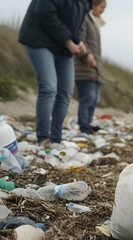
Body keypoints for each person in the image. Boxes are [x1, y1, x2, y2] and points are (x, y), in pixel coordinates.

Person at [18, 0, 91, 147]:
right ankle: (44, 137)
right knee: (49, 88)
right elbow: (45, 14)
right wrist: (68, 42)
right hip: (39, 40)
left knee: (65, 91)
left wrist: (79, 40)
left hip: (62, 47)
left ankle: (56, 138)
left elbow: (77, 23)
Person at [74, 0, 107, 135]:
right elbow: (80, 40)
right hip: (84, 67)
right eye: (101, 7)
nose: (103, 10)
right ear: (93, 5)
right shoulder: (85, 19)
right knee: (87, 98)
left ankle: (87, 124)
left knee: (93, 100)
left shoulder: (95, 23)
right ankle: (83, 126)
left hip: (95, 69)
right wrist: (87, 55)